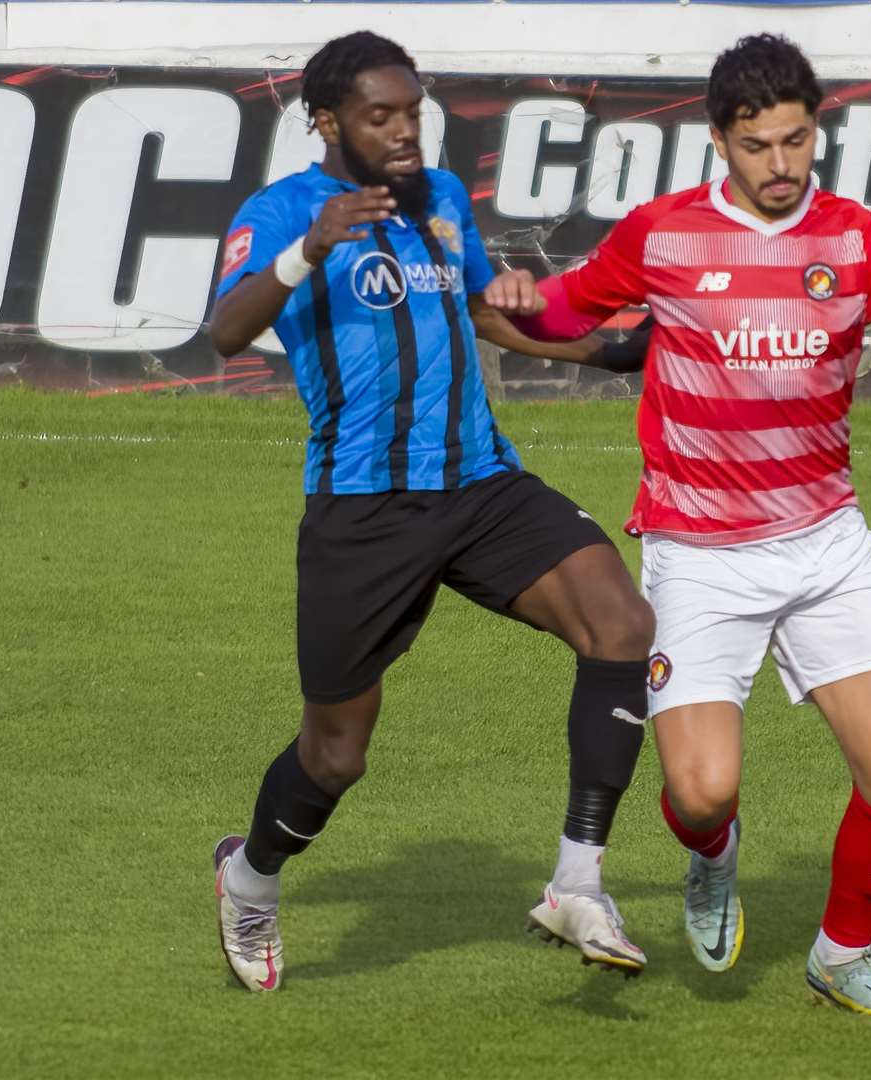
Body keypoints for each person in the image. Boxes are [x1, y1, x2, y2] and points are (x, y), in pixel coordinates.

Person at [483, 34, 871, 1017]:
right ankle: (712, 857)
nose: (781, 165)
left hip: (825, 543)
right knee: (703, 794)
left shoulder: (855, 240)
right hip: (697, 552)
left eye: (797, 141)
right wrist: (517, 301)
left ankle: (839, 956)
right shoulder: (663, 234)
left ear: (816, 131)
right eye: (758, 146)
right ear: (719, 141)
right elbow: (565, 309)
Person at [207, 31, 657, 993]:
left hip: (481, 485)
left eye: (412, 111)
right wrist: (307, 249)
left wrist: (603, 353)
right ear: (327, 122)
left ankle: (578, 880)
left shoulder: (443, 199)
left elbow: (480, 311)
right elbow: (225, 330)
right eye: (381, 116)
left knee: (622, 623)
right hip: (363, 512)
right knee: (335, 757)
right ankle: (249, 878)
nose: (405, 131)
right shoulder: (280, 212)